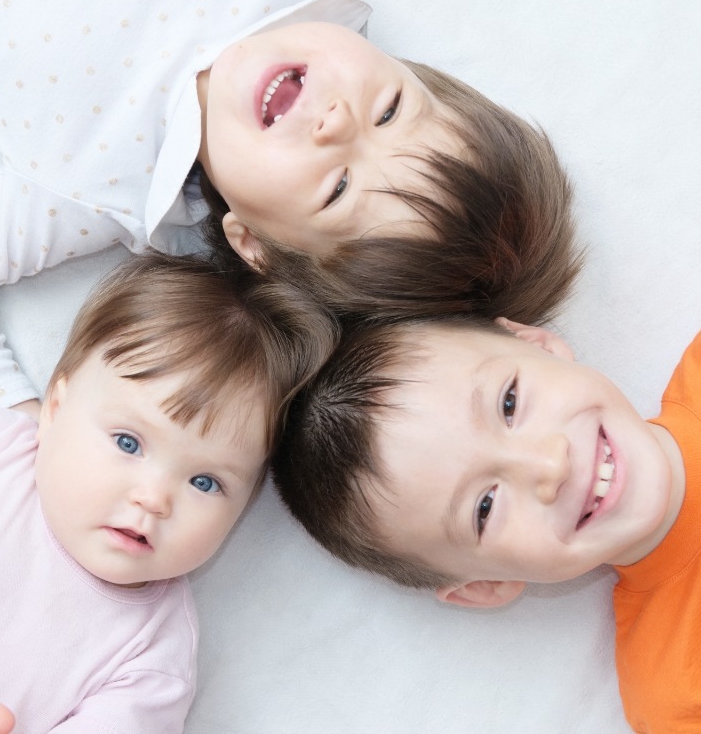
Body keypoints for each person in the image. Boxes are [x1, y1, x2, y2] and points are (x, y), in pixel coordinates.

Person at [0, 0, 581, 417]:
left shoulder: (105, 194)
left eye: (338, 188)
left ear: (253, 243)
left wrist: (21, 421)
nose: (337, 122)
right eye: (390, 109)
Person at [272, 314, 697, 732]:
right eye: (485, 507)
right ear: (483, 585)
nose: (550, 465)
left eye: (509, 404)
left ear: (536, 344)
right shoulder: (674, 696)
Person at [0, 251, 337, 733]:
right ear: (55, 409)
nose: (154, 498)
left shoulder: (151, 662)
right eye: (129, 443)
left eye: (205, 482)